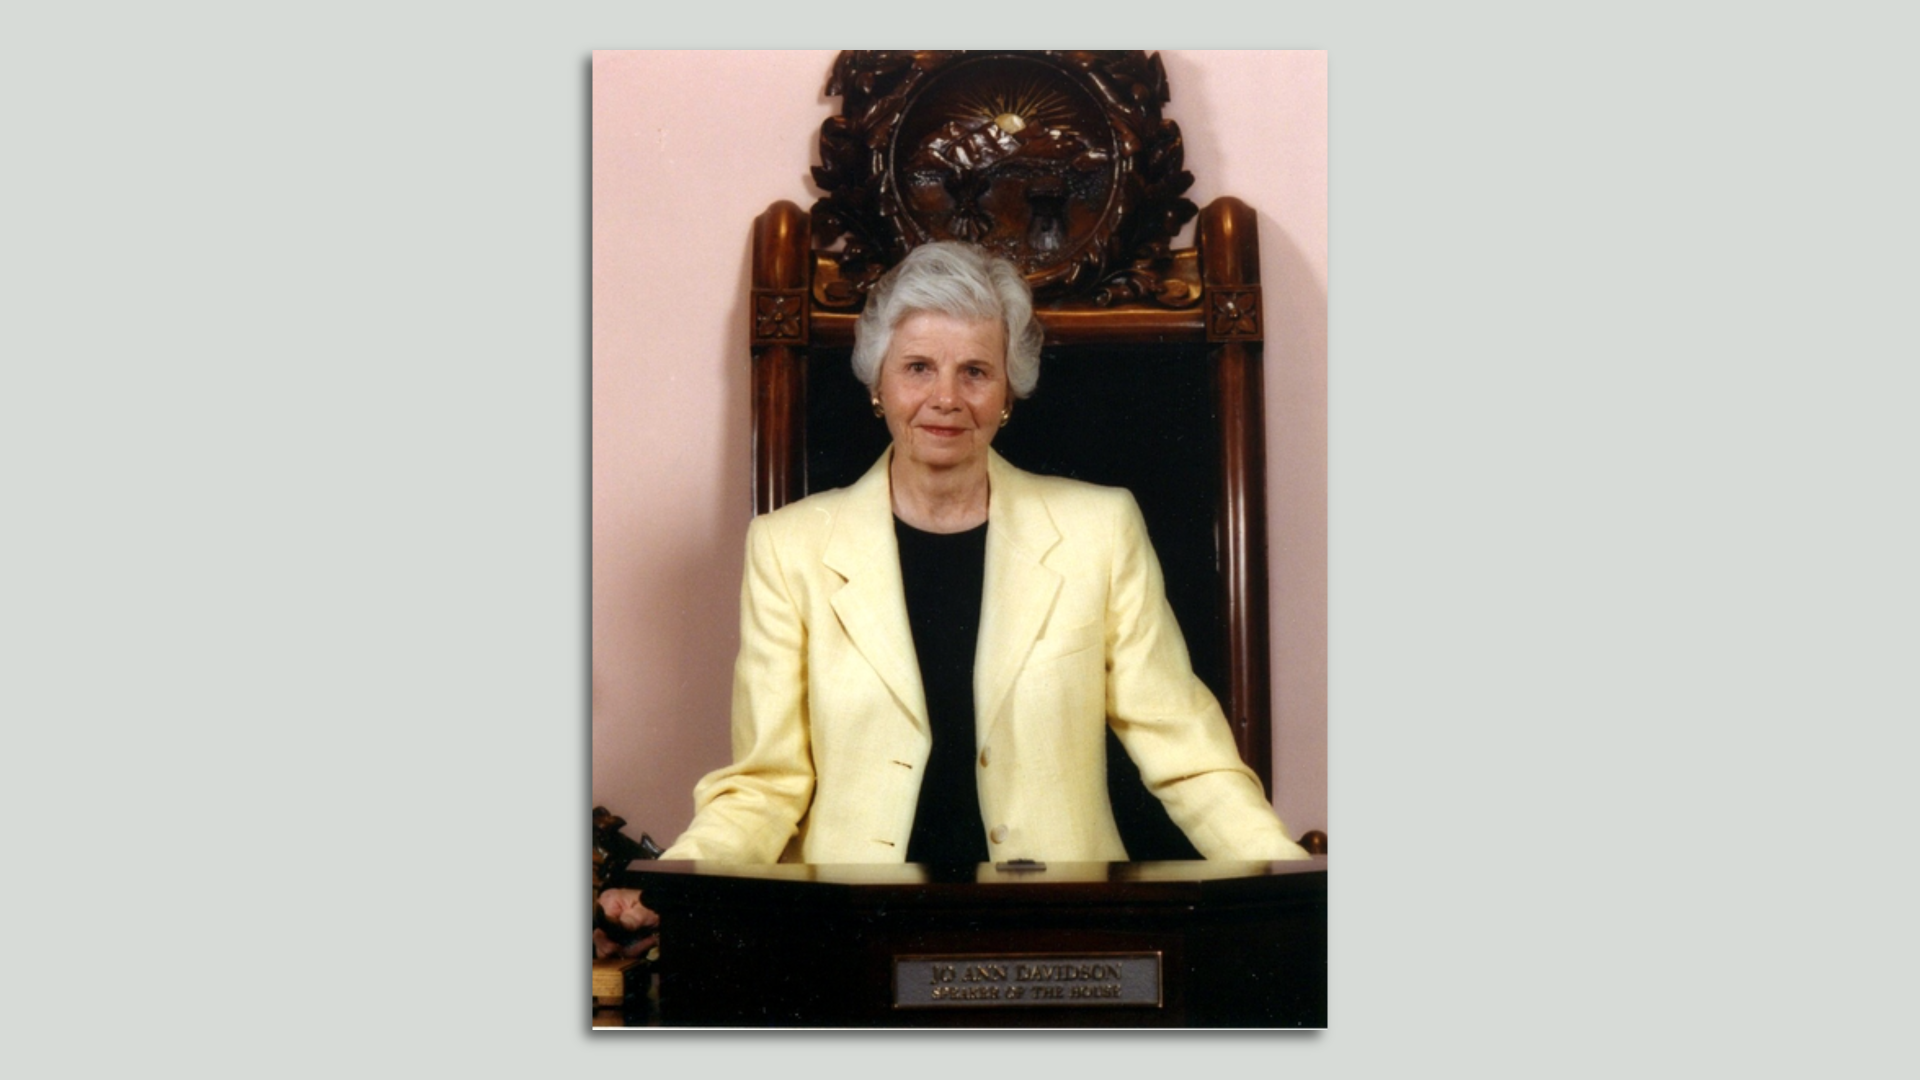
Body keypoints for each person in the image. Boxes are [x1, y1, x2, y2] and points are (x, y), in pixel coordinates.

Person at [660, 241, 1308, 865]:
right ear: (877, 382)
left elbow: (1185, 751)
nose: (946, 399)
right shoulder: (789, 548)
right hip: (856, 927)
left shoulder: (1100, 531)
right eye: (919, 368)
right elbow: (765, 783)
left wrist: (1289, 878)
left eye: (975, 371)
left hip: (1056, 928)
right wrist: (677, 884)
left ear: (1007, 393)